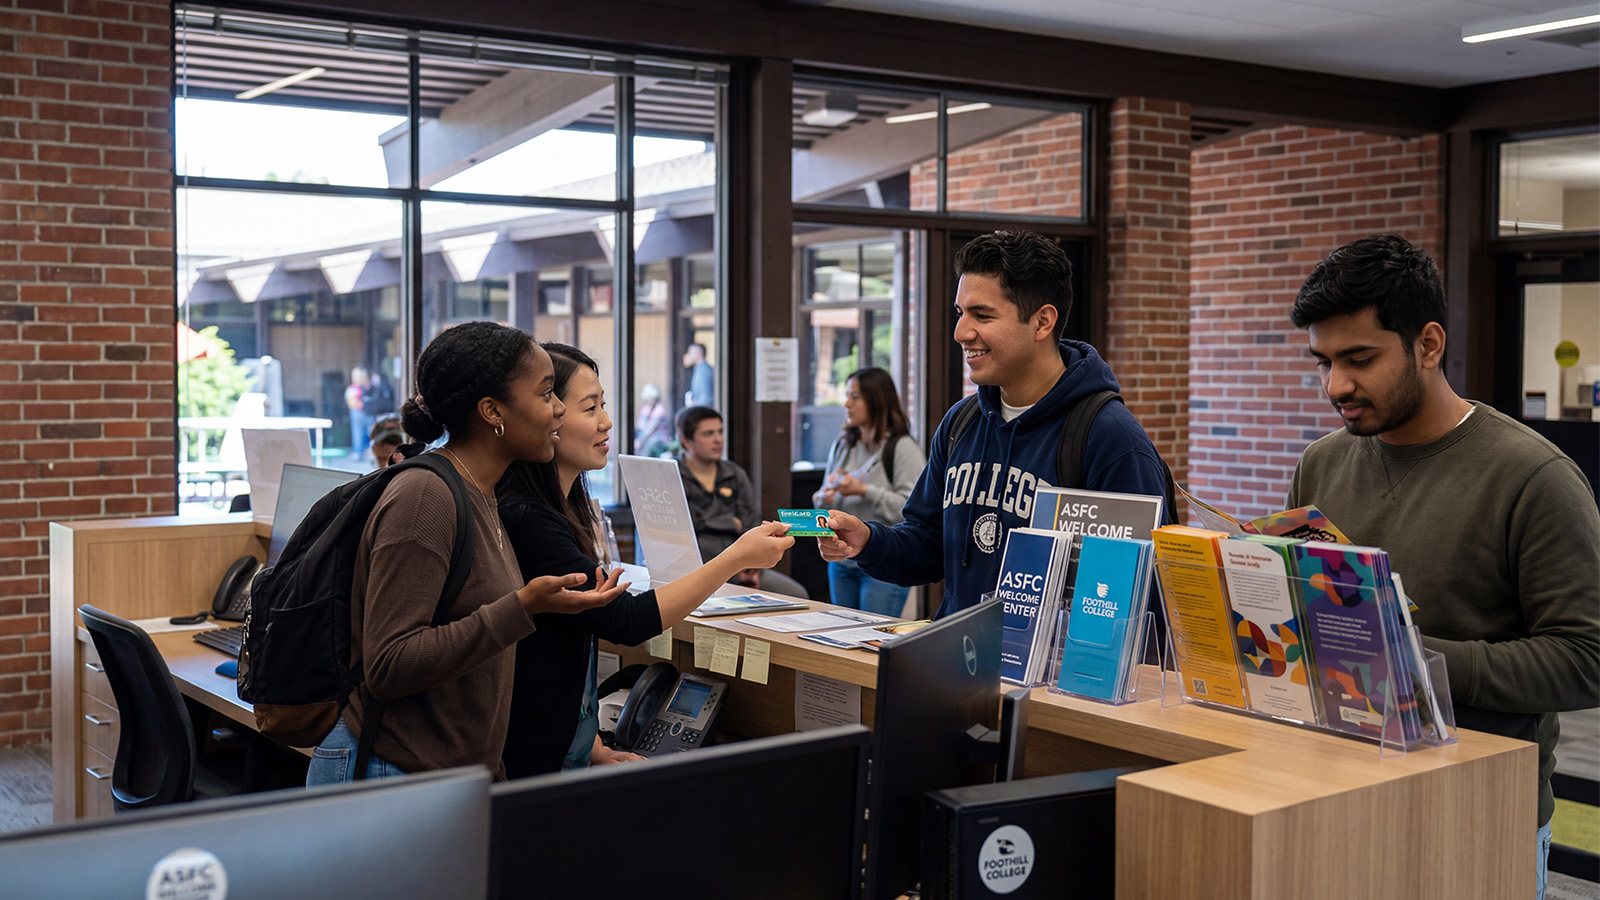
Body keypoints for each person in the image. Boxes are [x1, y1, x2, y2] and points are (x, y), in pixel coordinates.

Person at [1284, 234, 1600, 900]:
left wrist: (1408, 657)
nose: (1336, 384)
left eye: (1359, 359)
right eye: (1324, 362)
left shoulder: (1534, 478)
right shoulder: (1321, 462)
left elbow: (1586, 659)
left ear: (1429, 344)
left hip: (1477, 813)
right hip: (1333, 794)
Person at [305, 322, 627, 786]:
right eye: (545, 395)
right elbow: (389, 664)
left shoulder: (484, 493)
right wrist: (523, 606)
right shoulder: (425, 496)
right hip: (388, 771)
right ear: (492, 411)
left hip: (443, 775)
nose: (558, 411)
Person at [818, 231, 1171, 620]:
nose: (961, 333)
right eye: (960, 313)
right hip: (956, 664)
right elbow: (927, 544)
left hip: (1045, 679)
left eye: (982, 315)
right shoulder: (961, 422)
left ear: (1042, 322)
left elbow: (1139, 598)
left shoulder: (1111, 438)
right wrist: (868, 541)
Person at [498, 343, 794, 777]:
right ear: (551, 416)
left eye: (603, 404)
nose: (606, 421)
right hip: (532, 759)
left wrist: (592, 745)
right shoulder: (526, 515)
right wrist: (735, 558)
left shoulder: (567, 507)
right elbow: (625, 620)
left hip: (565, 745)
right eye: (590, 407)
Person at [811, 367, 926, 616]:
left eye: (855, 397)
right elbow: (823, 499)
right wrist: (822, 499)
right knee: (841, 636)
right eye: (847, 395)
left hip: (882, 559)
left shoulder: (902, 447)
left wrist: (864, 491)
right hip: (841, 560)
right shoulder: (843, 445)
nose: (847, 404)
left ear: (876, 400)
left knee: (872, 643)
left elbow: (912, 509)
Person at [675, 405, 757, 565]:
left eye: (720, 432)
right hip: (691, 567)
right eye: (708, 434)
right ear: (686, 441)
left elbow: (751, 526)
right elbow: (682, 530)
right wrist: (731, 523)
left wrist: (750, 568)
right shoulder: (672, 475)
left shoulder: (734, 473)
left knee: (795, 591)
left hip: (737, 564)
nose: (718, 439)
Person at [634, 382, 673, 457]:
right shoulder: (645, 409)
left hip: (659, 441)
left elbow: (649, 430)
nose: (649, 401)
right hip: (646, 440)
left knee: (651, 443)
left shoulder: (660, 410)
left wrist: (639, 442)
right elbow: (640, 426)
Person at [345, 366, 371, 458]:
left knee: (359, 432)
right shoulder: (368, 386)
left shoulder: (353, 388)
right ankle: (367, 451)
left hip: (359, 412)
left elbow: (350, 402)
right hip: (364, 411)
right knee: (367, 432)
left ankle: (359, 452)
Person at [683, 342, 714, 408]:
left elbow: (706, 398)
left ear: (699, 353)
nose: (687, 356)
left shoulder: (704, 370)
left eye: (690, 353)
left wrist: (693, 404)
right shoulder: (698, 368)